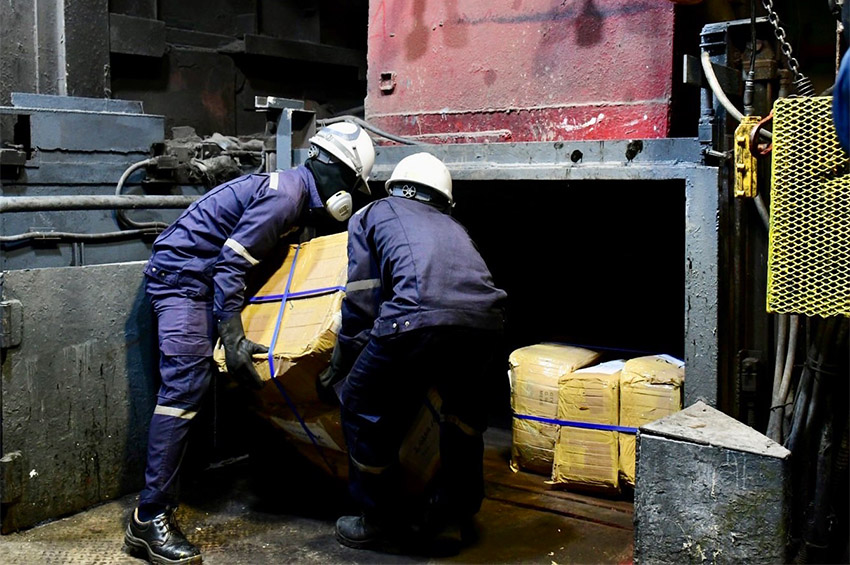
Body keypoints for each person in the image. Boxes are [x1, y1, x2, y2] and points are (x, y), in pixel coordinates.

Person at [123, 122, 376, 565]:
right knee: (184, 388)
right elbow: (228, 265)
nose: (349, 195)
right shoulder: (287, 196)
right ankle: (149, 517)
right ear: (333, 170)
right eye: (353, 183)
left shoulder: (296, 198)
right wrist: (233, 336)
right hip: (183, 279)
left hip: (202, 279)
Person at [319, 151, 508, 554]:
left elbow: (363, 295)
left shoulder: (372, 214)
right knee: (461, 413)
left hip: (413, 319)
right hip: (485, 324)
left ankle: (378, 519)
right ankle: (455, 510)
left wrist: (344, 356)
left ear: (397, 186)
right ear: (444, 199)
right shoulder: (455, 227)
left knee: (361, 405)